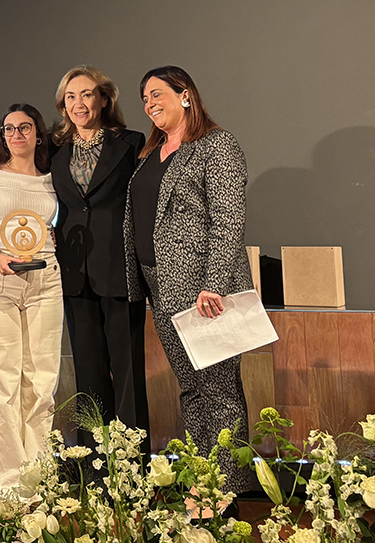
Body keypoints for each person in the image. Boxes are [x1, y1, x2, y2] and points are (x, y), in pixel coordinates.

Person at [123, 65, 254, 492]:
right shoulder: (151, 154)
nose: (149, 104)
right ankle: (204, 479)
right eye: (145, 98)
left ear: (185, 95)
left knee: (219, 389)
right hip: (160, 286)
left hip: (203, 290)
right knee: (191, 388)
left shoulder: (216, 145)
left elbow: (228, 220)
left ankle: (227, 490)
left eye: (157, 94)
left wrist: (214, 282)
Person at [0, 103, 62, 494]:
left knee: (42, 383)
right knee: (2, 386)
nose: (17, 135)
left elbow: (54, 224)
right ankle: (11, 485)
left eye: (25, 127)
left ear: (39, 134)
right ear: (2, 135)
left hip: (45, 283)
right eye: (9, 129)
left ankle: (39, 478)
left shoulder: (52, 179)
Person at [50, 67, 149, 437]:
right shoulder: (54, 151)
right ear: (63, 105)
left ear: (104, 99)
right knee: (88, 374)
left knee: (127, 373)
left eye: (87, 94)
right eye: (70, 97)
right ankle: (93, 461)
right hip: (75, 273)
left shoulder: (131, 143)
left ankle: (132, 463)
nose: (79, 103)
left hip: (119, 269)